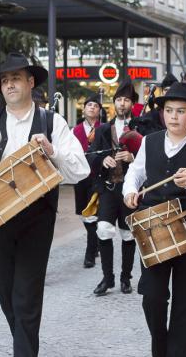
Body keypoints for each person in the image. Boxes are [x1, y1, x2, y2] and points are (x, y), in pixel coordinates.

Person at [0, 53, 89, 357]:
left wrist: (53, 152)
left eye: (16, 78)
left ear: (30, 82)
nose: (10, 84)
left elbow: (80, 169)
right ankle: (24, 345)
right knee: (7, 296)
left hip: (37, 218)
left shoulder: (53, 121)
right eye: (5, 80)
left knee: (26, 295)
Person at [123, 82, 186, 357]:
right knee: (153, 298)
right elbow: (135, 172)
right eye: (169, 110)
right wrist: (130, 191)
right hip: (154, 228)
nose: (173, 116)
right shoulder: (150, 142)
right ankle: (161, 349)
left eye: (181, 111)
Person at [86, 76, 139, 296]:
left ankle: (126, 278)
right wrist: (102, 161)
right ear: (114, 102)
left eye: (126, 100)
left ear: (131, 104)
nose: (122, 104)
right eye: (119, 99)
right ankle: (107, 279)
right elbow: (90, 158)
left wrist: (134, 157)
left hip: (130, 189)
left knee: (128, 234)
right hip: (108, 188)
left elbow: (153, 156)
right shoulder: (102, 130)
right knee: (104, 230)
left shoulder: (140, 127)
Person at [73, 94, 102, 268]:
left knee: (92, 214)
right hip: (80, 177)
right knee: (83, 214)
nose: (92, 107)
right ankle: (96, 241)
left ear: (99, 111)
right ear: (83, 110)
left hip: (98, 176)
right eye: (89, 105)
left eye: (95, 105)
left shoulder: (105, 128)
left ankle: (90, 253)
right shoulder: (74, 131)